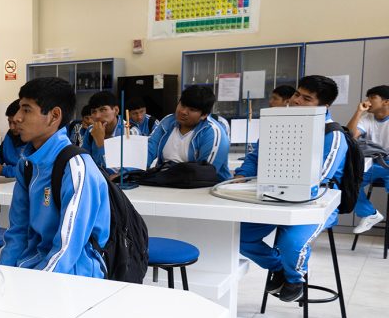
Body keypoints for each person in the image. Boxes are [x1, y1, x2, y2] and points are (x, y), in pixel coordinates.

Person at [235, 75, 348, 302]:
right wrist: (242, 175)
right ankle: (278, 267)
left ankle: (295, 279)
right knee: (239, 237)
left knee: (291, 245)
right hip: (274, 197)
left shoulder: (333, 135)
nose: (297, 101)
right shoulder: (279, 121)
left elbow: (320, 178)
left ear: (324, 105)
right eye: (297, 94)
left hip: (315, 203)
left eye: (307, 98)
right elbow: (256, 156)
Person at [0, 78, 110, 277]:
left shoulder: (76, 167)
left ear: (54, 116)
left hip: (75, 275)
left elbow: (66, 249)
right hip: (33, 266)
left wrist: (32, 284)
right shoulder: (27, 165)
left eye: (26, 110)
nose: (17, 118)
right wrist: (2, 274)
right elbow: (18, 232)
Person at [146, 85, 231, 180]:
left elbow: (205, 173)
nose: (183, 112)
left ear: (204, 115)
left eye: (192, 110)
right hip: (165, 182)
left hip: (205, 186)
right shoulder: (168, 122)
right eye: (182, 105)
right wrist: (136, 172)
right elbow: (149, 150)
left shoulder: (213, 133)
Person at [348, 84, 389, 233]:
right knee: (348, 181)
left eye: (372, 97)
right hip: (372, 163)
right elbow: (351, 136)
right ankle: (369, 214)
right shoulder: (367, 118)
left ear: (386, 102)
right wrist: (359, 112)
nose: (367, 101)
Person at [82, 91, 139, 174]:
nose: (97, 116)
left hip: (123, 181)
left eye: (103, 110)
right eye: (94, 111)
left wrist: (101, 143)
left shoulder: (130, 131)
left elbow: (134, 168)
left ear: (116, 110)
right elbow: (84, 160)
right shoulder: (91, 131)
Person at [0, 99, 25, 178]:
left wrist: (3, 170)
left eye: (15, 123)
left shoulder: (35, 140)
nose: (11, 127)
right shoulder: (10, 134)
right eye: (9, 122)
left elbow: (29, 170)